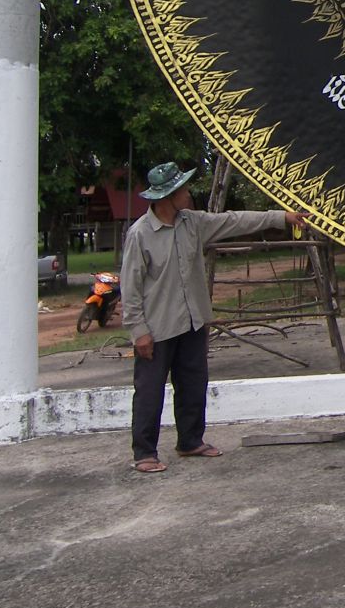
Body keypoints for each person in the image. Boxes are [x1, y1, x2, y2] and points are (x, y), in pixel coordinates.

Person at [122, 161, 307, 473]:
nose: (188, 194)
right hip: (158, 327)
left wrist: (282, 217)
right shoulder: (140, 234)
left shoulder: (193, 223)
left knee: (193, 383)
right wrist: (139, 330)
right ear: (167, 197)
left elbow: (234, 221)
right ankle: (145, 452)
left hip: (193, 320)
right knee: (150, 390)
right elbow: (131, 286)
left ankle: (190, 441)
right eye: (183, 190)